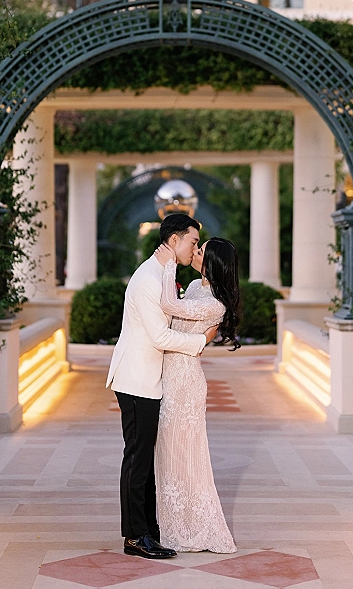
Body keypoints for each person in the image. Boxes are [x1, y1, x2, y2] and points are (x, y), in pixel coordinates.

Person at [106, 213, 219, 560]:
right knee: (138, 459)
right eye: (192, 242)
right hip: (137, 378)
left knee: (143, 458)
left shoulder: (163, 274)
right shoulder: (149, 280)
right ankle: (136, 537)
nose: (194, 248)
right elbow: (158, 336)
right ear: (174, 240)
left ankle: (148, 531)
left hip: (149, 379)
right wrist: (200, 342)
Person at [154, 236, 240, 553]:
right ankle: (173, 523)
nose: (195, 250)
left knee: (186, 455)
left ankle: (195, 528)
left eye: (200, 250)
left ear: (211, 262)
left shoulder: (214, 302)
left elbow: (168, 305)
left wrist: (167, 267)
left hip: (186, 382)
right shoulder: (193, 287)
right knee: (167, 453)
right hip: (170, 374)